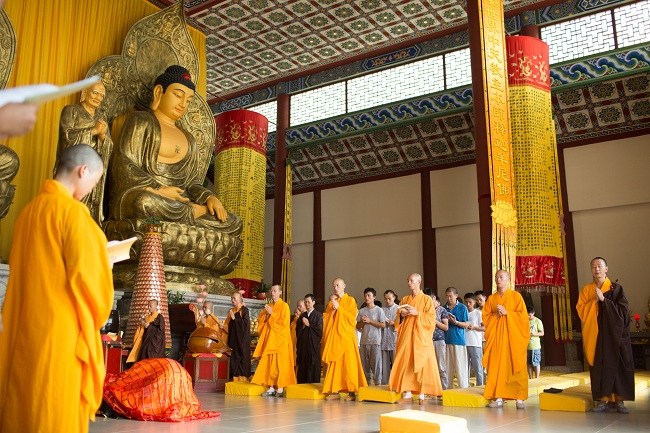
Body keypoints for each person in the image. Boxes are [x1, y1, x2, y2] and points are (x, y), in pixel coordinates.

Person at [0, 144, 114, 433]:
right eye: (94, 183)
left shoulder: (27, 213)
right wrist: (106, 263)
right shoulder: (73, 215)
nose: (90, 190)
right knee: (51, 412)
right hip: (58, 338)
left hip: (21, 333)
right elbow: (92, 285)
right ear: (83, 171)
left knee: (22, 409)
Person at [108, 65, 235, 229]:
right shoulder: (141, 120)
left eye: (188, 100)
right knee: (143, 203)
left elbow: (192, 183)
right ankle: (191, 214)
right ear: (158, 92)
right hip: (148, 194)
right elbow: (123, 164)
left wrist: (209, 197)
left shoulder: (189, 139)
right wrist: (159, 189)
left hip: (179, 202)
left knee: (232, 222)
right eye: (178, 95)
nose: (183, 104)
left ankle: (189, 214)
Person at [576, 257, 634, 414]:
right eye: (593, 266)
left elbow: (624, 313)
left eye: (600, 266)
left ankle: (619, 400)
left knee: (618, 366)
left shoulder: (616, 289)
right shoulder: (587, 290)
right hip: (597, 335)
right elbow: (581, 310)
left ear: (606, 269)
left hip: (615, 336)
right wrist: (594, 302)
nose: (597, 269)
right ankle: (603, 400)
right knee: (600, 366)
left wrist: (604, 300)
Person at [57, 80, 112, 223]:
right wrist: (93, 131)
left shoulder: (101, 117)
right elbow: (67, 137)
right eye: (95, 93)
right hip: (74, 170)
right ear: (85, 92)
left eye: (102, 95)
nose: (98, 98)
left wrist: (103, 137)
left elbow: (109, 146)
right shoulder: (71, 111)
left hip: (93, 173)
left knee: (88, 216)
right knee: (69, 214)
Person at [389, 274, 443, 404]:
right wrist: (402, 315)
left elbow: (431, 320)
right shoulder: (404, 299)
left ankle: (422, 396)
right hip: (407, 336)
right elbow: (398, 320)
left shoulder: (426, 299)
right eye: (408, 280)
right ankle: (407, 394)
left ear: (419, 282)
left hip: (421, 337)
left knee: (422, 363)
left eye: (412, 281)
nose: (409, 283)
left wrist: (417, 313)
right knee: (406, 363)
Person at [483, 270, 530, 409]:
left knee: (516, 365)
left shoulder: (516, 296)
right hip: (497, 338)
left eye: (501, 277)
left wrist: (507, 313)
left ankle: (519, 398)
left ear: (508, 280)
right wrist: (497, 315)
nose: (498, 279)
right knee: (497, 366)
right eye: (496, 277)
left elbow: (523, 318)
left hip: (513, 339)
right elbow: (486, 317)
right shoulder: (491, 299)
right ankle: (498, 397)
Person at [322, 278, 367, 401]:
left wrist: (339, 309)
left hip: (347, 338)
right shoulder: (331, 303)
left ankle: (351, 392)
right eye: (334, 285)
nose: (335, 287)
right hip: (335, 338)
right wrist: (333, 309)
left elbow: (352, 319)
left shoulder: (350, 300)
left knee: (349, 364)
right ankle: (335, 391)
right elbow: (326, 319)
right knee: (335, 364)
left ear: (344, 286)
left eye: (338, 285)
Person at [251, 284, 296, 397]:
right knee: (270, 364)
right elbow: (261, 321)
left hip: (280, 340)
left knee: (280, 364)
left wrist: (272, 313)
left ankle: (280, 388)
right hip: (270, 340)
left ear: (280, 292)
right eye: (271, 291)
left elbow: (284, 323)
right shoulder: (269, 306)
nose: (273, 292)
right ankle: (271, 387)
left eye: (275, 291)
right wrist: (267, 315)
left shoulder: (284, 306)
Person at [356, 287, 386, 386]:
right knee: (365, 365)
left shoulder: (379, 310)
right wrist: (363, 322)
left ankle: (378, 384)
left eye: (369, 295)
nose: (367, 297)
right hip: (364, 341)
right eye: (365, 296)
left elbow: (383, 325)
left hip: (375, 341)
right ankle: (367, 384)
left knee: (376, 364)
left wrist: (370, 321)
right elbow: (357, 326)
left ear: (374, 297)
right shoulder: (361, 311)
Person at [444, 286, 470, 388]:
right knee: (447, 368)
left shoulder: (462, 307)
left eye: (451, 296)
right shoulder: (443, 308)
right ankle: (447, 391)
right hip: (446, 340)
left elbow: (467, 324)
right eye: (447, 296)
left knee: (461, 367)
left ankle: (464, 390)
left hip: (459, 340)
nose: (449, 298)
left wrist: (456, 322)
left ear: (456, 296)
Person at [223, 292, 251, 382]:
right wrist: (222, 326)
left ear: (240, 299)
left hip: (242, 340)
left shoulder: (244, 310)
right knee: (234, 358)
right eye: (232, 298)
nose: (232, 300)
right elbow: (228, 324)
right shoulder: (232, 311)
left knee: (242, 358)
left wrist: (235, 319)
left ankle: (243, 379)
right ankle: (234, 378)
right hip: (234, 339)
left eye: (234, 298)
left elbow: (245, 325)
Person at [296, 293, 323, 383]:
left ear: (313, 302)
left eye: (308, 302)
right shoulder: (302, 315)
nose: (306, 304)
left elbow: (319, 331)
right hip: (303, 344)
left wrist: (309, 325)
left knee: (313, 363)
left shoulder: (318, 315)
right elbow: (297, 329)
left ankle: (313, 383)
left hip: (313, 345)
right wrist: (303, 326)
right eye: (305, 302)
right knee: (303, 363)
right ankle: (302, 383)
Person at [427, 291, 449, 390]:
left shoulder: (442, 310)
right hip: (427, 340)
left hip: (439, 341)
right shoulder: (425, 310)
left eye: (429, 300)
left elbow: (446, 327)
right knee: (429, 367)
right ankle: (431, 389)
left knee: (441, 366)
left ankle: (444, 389)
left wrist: (434, 321)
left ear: (434, 299)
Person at [465, 293, 485, 386]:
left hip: (475, 343)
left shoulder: (478, 313)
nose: (468, 304)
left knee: (478, 367)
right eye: (466, 302)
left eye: (470, 302)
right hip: (464, 343)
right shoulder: (464, 312)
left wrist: (474, 327)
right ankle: (466, 385)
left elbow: (484, 328)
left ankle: (480, 385)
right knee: (465, 367)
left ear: (474, 302)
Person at [381, 289, 398, 385]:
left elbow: (403, 324)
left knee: (396, 364)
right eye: (386, 299)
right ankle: (385, 384)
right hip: (384, 340)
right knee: (384, 366)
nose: (387, 301)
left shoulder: (399, 309)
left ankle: (396, 384)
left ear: (394, 297)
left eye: (389, 299)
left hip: (395, 340)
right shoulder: (382, 310)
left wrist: (394, 323)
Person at [527, 305, 544, 379]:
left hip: (535, 345)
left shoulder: (538, 321)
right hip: (527, 345)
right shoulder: (525, 320)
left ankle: (537, 378)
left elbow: (542, 333)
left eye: (529, 315)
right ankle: (530, 378)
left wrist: (534, 334)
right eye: (527, 315)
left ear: (533, 313)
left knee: (536, 363)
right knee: (528, 363)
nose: (528, 317)